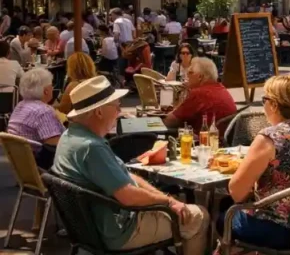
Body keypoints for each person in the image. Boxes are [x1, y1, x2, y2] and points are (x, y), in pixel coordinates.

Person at [52, 76, 209, 254]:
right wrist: (167, 201)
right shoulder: (91, 147)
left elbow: (125, 176)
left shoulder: (69, 137)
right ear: (99, 112)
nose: (119, 110)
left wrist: (167, 201)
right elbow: (129, 196)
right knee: (199, 216)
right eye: (116, 105)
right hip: (118, 231)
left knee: (178, 207)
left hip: (90, 228)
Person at [223, 75, 290, 248]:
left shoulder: (270, 138)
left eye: (264, 99)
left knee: (221, 214)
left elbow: (236, 191)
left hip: (282, 230)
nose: (262, 105)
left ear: (273, 104)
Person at [7, 67, 63, 168]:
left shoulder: (20, 105)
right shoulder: (44, 111)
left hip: (22, 165)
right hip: (43, 167)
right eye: (51, 85)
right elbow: (54, 146)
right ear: (46, 91)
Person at [164, 58, 235, 130]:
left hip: (206, 139)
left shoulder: (199, 93)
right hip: (223, 138)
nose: (187, 74)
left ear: (200, 77)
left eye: (190, 72)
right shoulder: (221, 88)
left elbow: (169, 122)